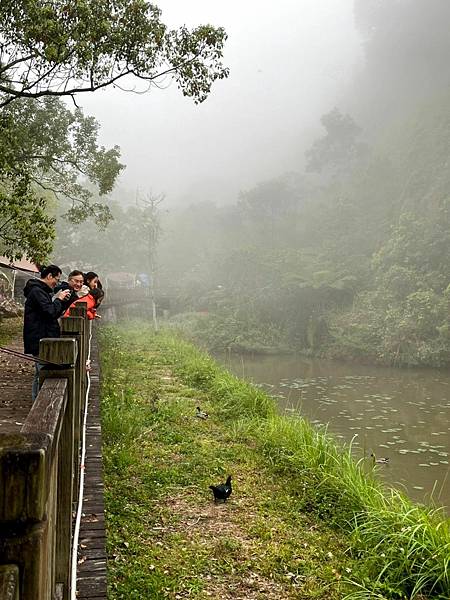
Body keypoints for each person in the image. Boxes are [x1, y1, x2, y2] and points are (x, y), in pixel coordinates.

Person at [23, 265, 71, 401]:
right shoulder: (37, 292)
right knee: (42, 372)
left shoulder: (40, 291)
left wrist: (61, 301)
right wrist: (58, 299)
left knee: (41, 372)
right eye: (57, 279)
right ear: (49, 276)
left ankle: (37, 402)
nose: (57, 282)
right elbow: (50, 312)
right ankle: (38, 403)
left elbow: (52, 312)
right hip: (39, 339)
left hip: (43, 338)